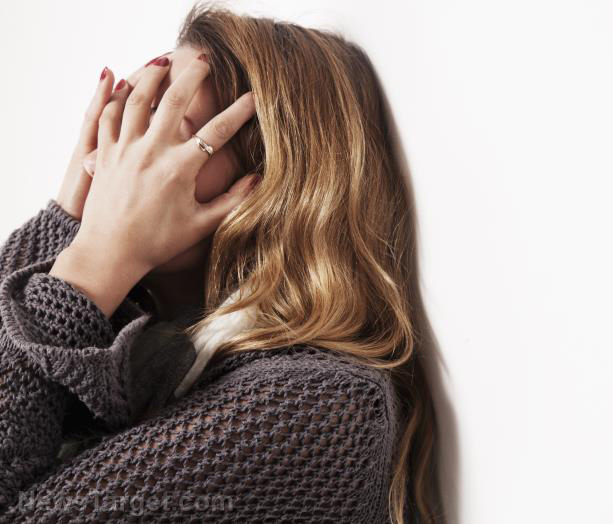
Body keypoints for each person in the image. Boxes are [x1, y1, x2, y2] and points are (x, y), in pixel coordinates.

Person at [0, 3, 442, 522]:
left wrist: (88, 268)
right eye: (129, 115)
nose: (115, 156)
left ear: (271, 184)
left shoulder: (319, 410)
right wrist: (64, 224)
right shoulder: (128, 343)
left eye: (165, 127)